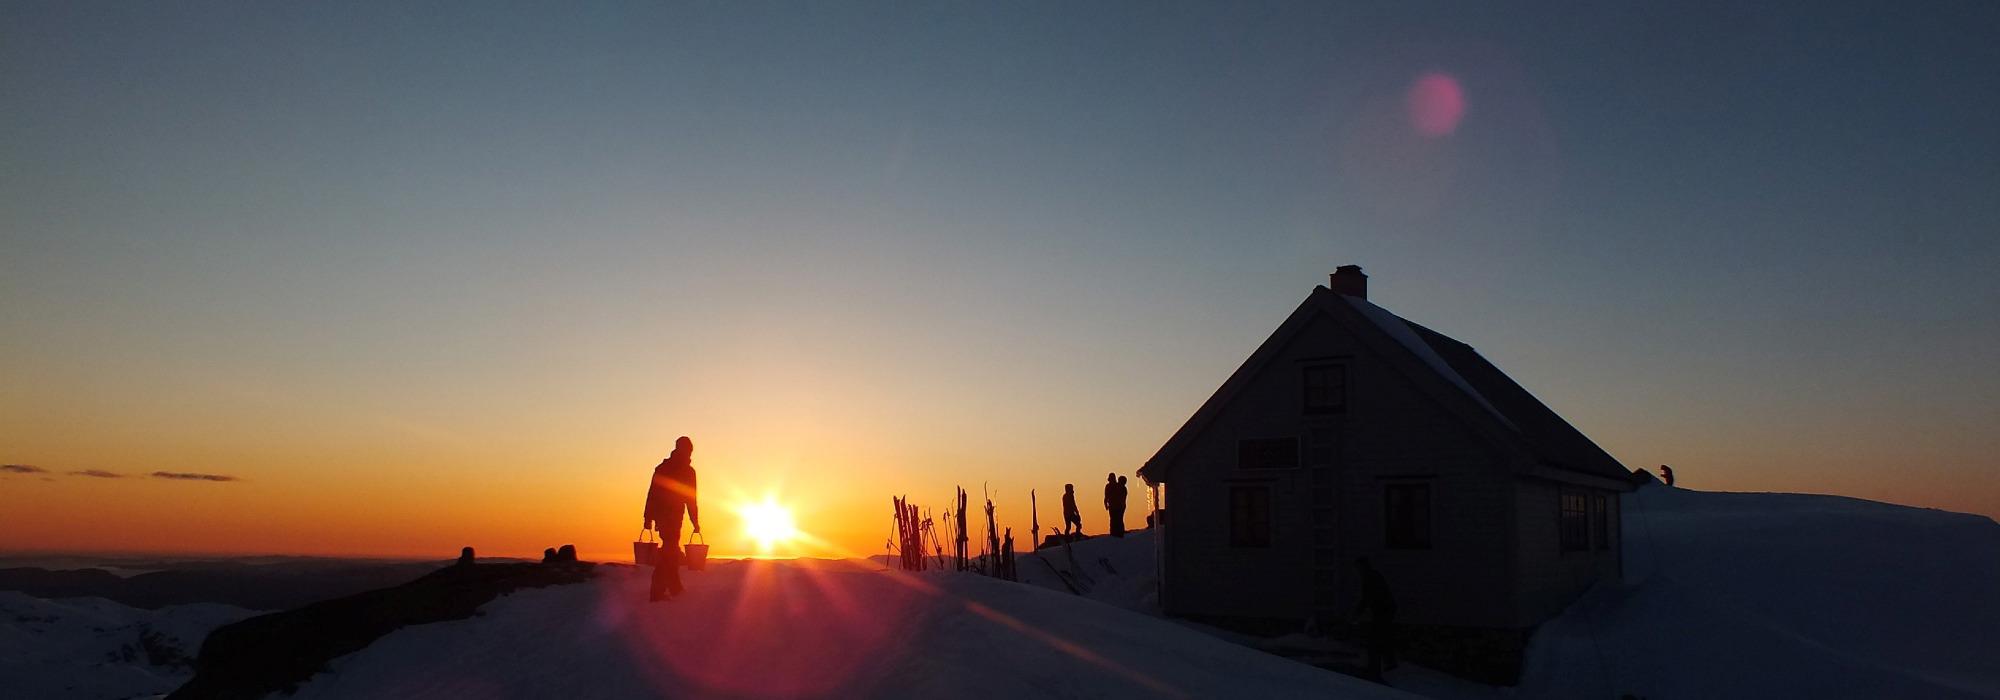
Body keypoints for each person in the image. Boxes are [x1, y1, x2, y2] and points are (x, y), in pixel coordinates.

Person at [643, 436, 701, 602]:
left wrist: (648, 517)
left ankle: (675, 588)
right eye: (689, 450)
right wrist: (695, 521)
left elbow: (652, 494)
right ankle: (658, 593)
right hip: (671, 517)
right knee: (669, 551)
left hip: (665, 517)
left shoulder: (663, 468)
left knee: (671, 550)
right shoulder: (687, 472)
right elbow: (690, 499)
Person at [1353, 557, 1398, 680]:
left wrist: (1357, 612)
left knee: (1375, 640)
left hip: (1383, 610)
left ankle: (1374, 669)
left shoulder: (1369, 578)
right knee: (1382, 637)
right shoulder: (1374, 576)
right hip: (1384, 610)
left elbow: (1367, 598)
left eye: (1358, 567)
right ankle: (1388, 662)